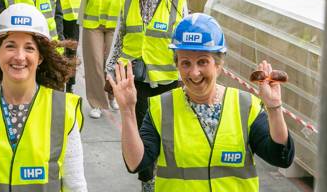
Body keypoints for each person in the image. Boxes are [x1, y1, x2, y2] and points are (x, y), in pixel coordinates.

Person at [110, 13, 295, 192]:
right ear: (177, 65)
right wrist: (127, 111)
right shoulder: (162, 108)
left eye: (203, 62)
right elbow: (136, 163)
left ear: (218, 65)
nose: (194, 72)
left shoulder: (245, 106)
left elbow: (280, 157)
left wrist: (274, 108)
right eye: (185, 63)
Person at [0, 3, 87, 191]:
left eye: (29, 48)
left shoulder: (63, 111)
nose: (19, 56)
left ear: (40, 57)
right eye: (10, 46)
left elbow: (76, 185)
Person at [105, 0, 187, 190]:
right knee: (143, 136)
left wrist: (186, 79)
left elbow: (184, 45)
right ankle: (147, 182)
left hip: (168, 83)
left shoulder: (177, 1)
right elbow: (118, 39)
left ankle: (167, 178)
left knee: (169, 134)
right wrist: (108, 74)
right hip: (135, 83)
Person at [76, 0, 134, 119]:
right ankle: (96, 103)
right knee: (93, 63)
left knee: (113, 63)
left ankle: (111, 95)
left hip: (115, 24)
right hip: (92, 22)